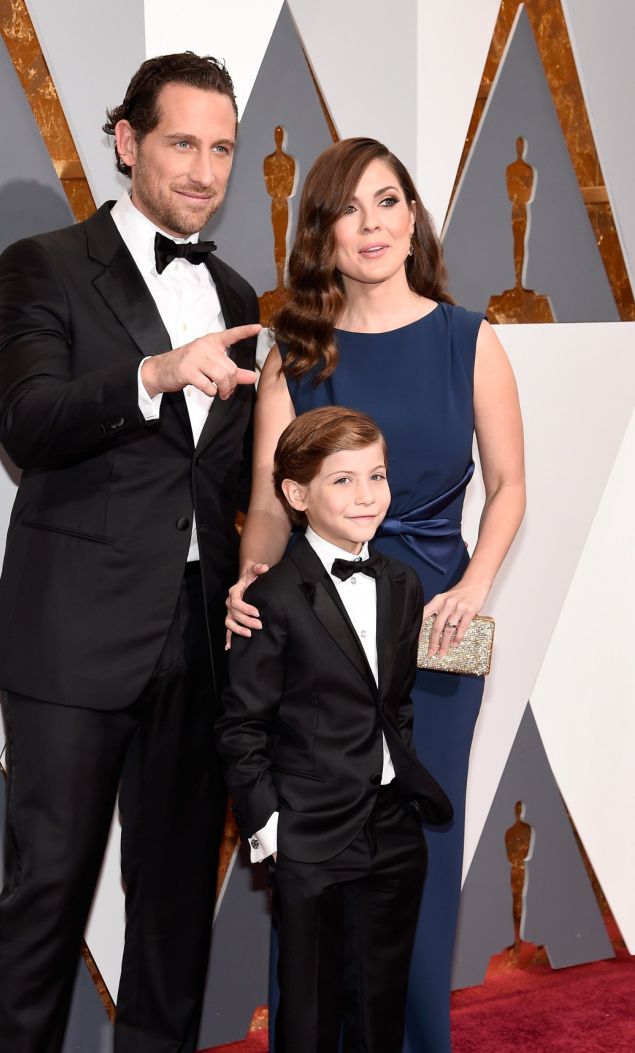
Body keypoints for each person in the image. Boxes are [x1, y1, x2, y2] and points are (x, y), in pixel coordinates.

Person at [0, 52, 261, 1053]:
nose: (205, 169)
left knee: (176, 917)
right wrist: (153, 372)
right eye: (183, 142)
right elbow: (29, 421)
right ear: (129, 143)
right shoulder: (43, 263)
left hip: (200, 643)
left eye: (222, 148)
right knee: (45, 907)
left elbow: (226, 484)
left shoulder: (236, 293)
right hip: (72, 644)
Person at [226, 137, 525, 1053]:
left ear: (412, 219)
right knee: (314, 859)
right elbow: (270, 511)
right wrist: (248, 586)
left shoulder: (469, 337)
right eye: (349, 208)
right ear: (320, 230)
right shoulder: (293, 352)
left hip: (437, 630)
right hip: (315, 631)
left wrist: (474, 584)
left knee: (422, 860)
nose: (372, 224)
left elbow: (509, 485)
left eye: (388, 201)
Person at [216, 406, 453, 1053]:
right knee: (311, 1011)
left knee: (381, 1003)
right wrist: (270, 828)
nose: (367, 495)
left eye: (375, 476)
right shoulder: (271, 597)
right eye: (343, 480)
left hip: (392, 828)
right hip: (310, 834)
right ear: (296, 494)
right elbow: (241, 727)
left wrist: (398, 780)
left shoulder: (402, 583)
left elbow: (393, 703)